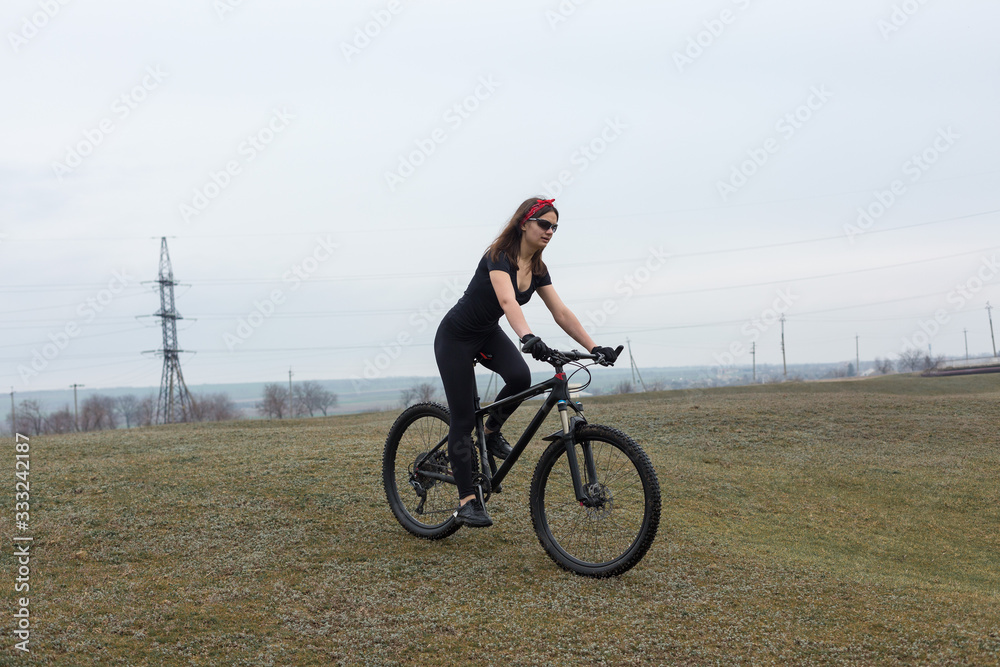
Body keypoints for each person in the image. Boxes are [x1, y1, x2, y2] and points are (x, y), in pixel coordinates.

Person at [433, 196, 620, 528]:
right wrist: (526, 337)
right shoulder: (498, 257)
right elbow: (507, 300)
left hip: (487, 333)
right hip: (456, 338)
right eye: (544, 224)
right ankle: (467, 501)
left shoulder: (537, 268)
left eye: (555, 227)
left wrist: (595, 346)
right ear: (524, 223)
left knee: (520, 377)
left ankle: (490, 432)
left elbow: (560, 312)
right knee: (462, 421)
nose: (550, 231)